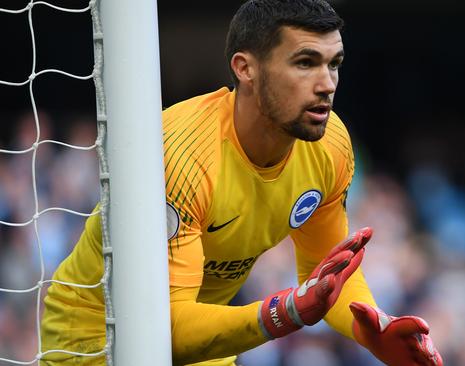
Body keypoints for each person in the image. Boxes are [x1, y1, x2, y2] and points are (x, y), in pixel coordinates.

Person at [40, 1, 442, 365]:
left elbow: (327, 274)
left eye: (333, 63)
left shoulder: (329, 145)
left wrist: (371, 331)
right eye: (305, 62)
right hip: (97, 337)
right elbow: (163, 329)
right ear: (245, 68)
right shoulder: (181, 156)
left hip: (205, 340)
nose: (327, 84)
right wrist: (284, 312)